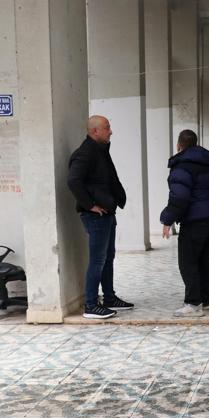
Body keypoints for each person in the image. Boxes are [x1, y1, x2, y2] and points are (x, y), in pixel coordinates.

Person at [67, 115, 134, 319]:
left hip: (107, 212)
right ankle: (91, 305)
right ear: (95, 131)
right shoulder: (86, 153)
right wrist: (90, 205)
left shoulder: (100, 150)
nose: (110, 131)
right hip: (95, 216)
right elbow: (73, 181)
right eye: (107, 128)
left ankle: (110, 297)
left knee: (108, 257)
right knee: (98, 260)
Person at [160, 130, 209, 318]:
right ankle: (205, 299)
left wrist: (167, 219)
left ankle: (193, 303)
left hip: (194, 222)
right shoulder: (207, 166)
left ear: (179, 146)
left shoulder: (182, 167)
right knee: (205, 260)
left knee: (188, 261)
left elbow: (179, 196)